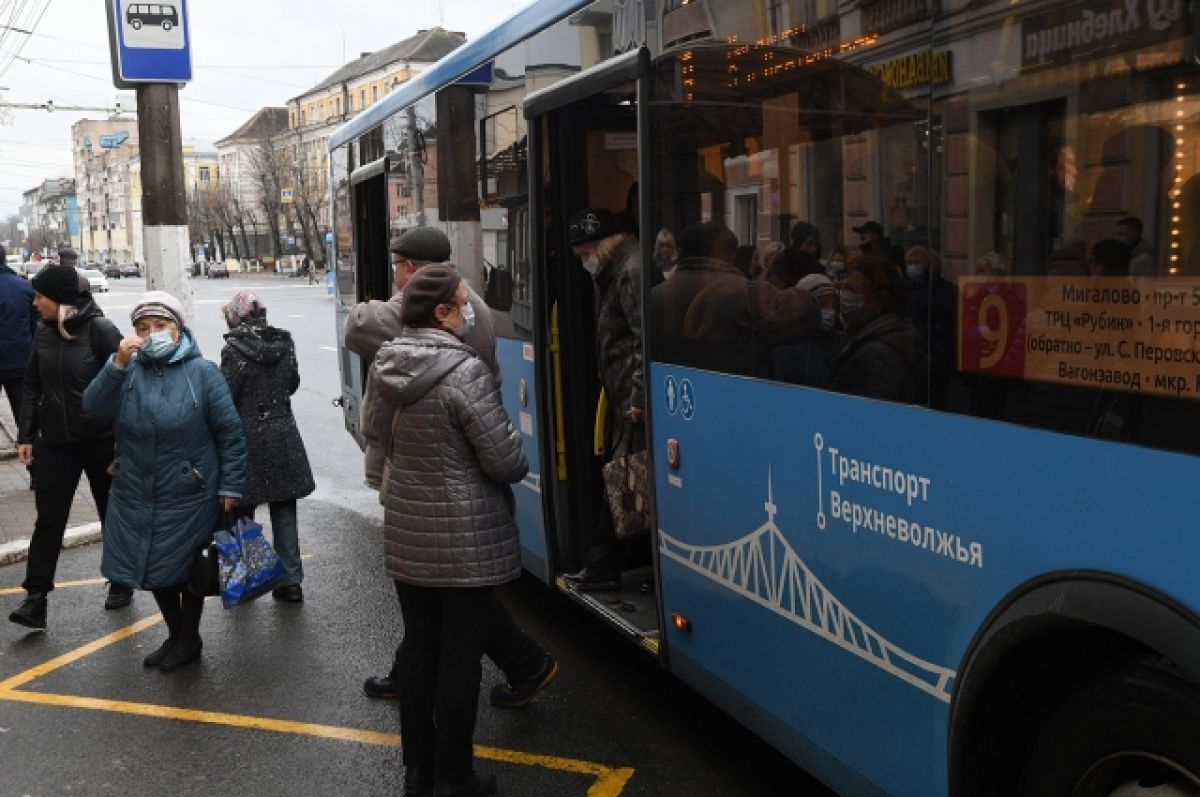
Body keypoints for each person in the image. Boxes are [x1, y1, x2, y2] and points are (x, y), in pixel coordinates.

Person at [344, 226, 556, 709]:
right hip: (451, 452)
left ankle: (514, 665)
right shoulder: (466, 304)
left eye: (400, 265)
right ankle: (437, 666)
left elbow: (357, 327)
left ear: (414, 270)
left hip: (434, 458)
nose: (396, 274)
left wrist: (379, 304)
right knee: (449, 582)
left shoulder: (436, 308)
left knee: (450, 585)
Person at [371, 265, 529, 797]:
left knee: (419, 651)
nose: (470, 311)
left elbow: (377, 435)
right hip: (466, 543)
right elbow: (506, 462)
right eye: (463, 303)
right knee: (459, 662)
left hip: (409, 535)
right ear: (441, 313)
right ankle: (455, 776)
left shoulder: (385, 365)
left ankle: (418, 771)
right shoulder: (465, 372)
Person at [82, 291, 247, 672]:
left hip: (189, 490)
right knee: (153, 566)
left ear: (178, 329)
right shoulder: (127, 370)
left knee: (188, 569)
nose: (152, 333)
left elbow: (230, 433)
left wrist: (231, 486)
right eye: (143, 328)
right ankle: (177, 635)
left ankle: (188, 638)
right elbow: (92, 407)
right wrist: (117, 364)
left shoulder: (202, 372)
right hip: (135, 487)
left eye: (160, 326)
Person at [8, 263, 128, 630]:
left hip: (100, 441)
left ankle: (120, 581)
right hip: (56, 443)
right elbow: (31, 385)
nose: (34, 303)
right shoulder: (43, 331)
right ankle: (36, 598)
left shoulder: (101, 329)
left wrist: (124, 444)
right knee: (49, 520)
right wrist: (26, 435)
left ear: (59, 300)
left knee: (113, 513)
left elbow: (126, 385)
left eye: (40, 297)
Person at [562, 208, 648, 590]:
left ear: (605, 244)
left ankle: (603, 567)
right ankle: (619, 564)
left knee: (623, 480)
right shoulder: (615, 269)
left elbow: (645, 340)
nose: (584, 262)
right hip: (622, 397)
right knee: (629, 480)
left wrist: (638, 397)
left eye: (585, 254)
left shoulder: (630, 271)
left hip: (632, 402)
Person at [219, 291, 315, 603]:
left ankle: (249, 580)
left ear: (235, 318)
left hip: (246, 437)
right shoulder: (284, 343)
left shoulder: (233, 350)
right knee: (284, 509)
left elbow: (227, 396)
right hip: (283, 433)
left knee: (242, 511)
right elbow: (292, 383)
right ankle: (291, 582)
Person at [832, 256, 927, 404]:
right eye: (842, 288)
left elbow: (868, 417)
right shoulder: (889, 335)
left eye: (851, 290)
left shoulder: (877, 356)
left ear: (880, 300)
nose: (843, 297)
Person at [772, 273, 841, 388]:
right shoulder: (787, 346)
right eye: (822, 303)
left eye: (834, 304)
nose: (830, 310)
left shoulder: (840, 341)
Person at [0, 243, 36, 452]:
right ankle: (36, 471)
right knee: (26, 418)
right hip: (20, 362)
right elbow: (36, 328)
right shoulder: (24, 287)